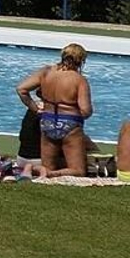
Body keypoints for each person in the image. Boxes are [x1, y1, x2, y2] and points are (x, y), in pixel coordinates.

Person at [16, 43, 93, 178]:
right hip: (70, 124)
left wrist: (35, 109)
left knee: (47, 166)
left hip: (47, 121)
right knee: (78, 170)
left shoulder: (45, 72)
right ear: (80, 61)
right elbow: (86, 110)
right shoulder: (79, 80)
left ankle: (36, 170)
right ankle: (53, 174)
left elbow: (21, 89)